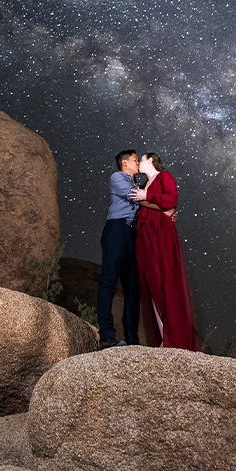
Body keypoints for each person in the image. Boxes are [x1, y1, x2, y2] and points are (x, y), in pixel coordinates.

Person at [130, 152, 200, 351]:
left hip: (160, 231)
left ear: (151, 160)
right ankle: (164, 337)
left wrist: (149, 198)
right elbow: (147, 202)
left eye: (141, 159)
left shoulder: (164, 176)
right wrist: (157, 205)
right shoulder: (144, 184)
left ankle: (174, 338)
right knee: (152, 283)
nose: (139, 163)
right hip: (147, 233)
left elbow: (171, 199)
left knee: (166, 280)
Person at [95, 149, 141, 349]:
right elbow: (135, 198)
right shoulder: (118, 177)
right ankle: (106, 336)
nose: (137, 162)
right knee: (109, 280)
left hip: (131, 234)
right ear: (124, 163)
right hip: (116, 228)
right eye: (134, 159)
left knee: (133, 288)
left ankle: (132, 340)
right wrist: (162, 206)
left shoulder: (138, 185)